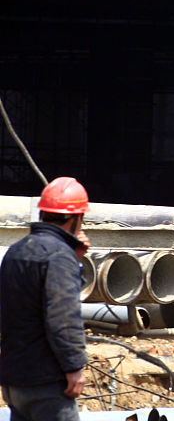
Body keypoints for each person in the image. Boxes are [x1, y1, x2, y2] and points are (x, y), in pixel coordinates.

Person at [0, 176, 91, 421]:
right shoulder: (60, 257)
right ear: (76, 219)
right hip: (47, 384)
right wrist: (73, 367)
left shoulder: (16, 251)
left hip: (15, 381)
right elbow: (63, 317)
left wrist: (76, 260)